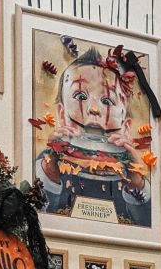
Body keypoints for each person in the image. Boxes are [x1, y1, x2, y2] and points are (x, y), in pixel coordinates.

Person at [36, 47, 151, 226]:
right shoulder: (47, 162)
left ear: (126, 126)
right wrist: (50, 171)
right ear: (62, 115)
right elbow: (33, 216)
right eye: (81, 96)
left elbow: (145, 226)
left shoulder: (131, 172)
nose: (94, 109)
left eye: (107, 101)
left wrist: (137, 183)